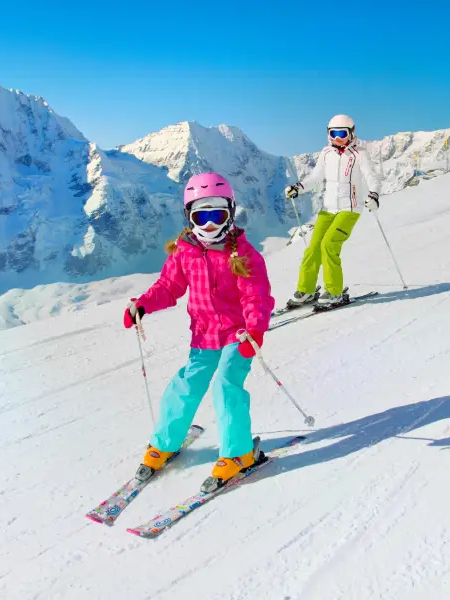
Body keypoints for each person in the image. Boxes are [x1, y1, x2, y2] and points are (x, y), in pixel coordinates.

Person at [124, 172, 275, 493]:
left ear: (230, 213)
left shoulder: (245, 254)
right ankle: (164, 443)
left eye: (216, 215)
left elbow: (256, 295)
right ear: (189, 217)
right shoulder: (185, 251)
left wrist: (255, 330)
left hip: (239, 336)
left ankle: (239, 454)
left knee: (226, 384)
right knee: (186, 383)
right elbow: (169, 286)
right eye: (200, 216)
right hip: (204, 334)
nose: (208, 225)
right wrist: (143, 305)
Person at [284, 114, 382, 308]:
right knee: (312, 249)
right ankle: (307, 290)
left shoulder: (359, 154)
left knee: (329, 245)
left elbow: (372, 177)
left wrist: (374, 195)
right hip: (328, 209)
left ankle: (334, 292)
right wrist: (299, 187)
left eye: (342, 133)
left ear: (351, 133)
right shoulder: (327, 153)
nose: (338, 138)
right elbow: (316, 177)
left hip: (350, 209)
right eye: (334, 133)